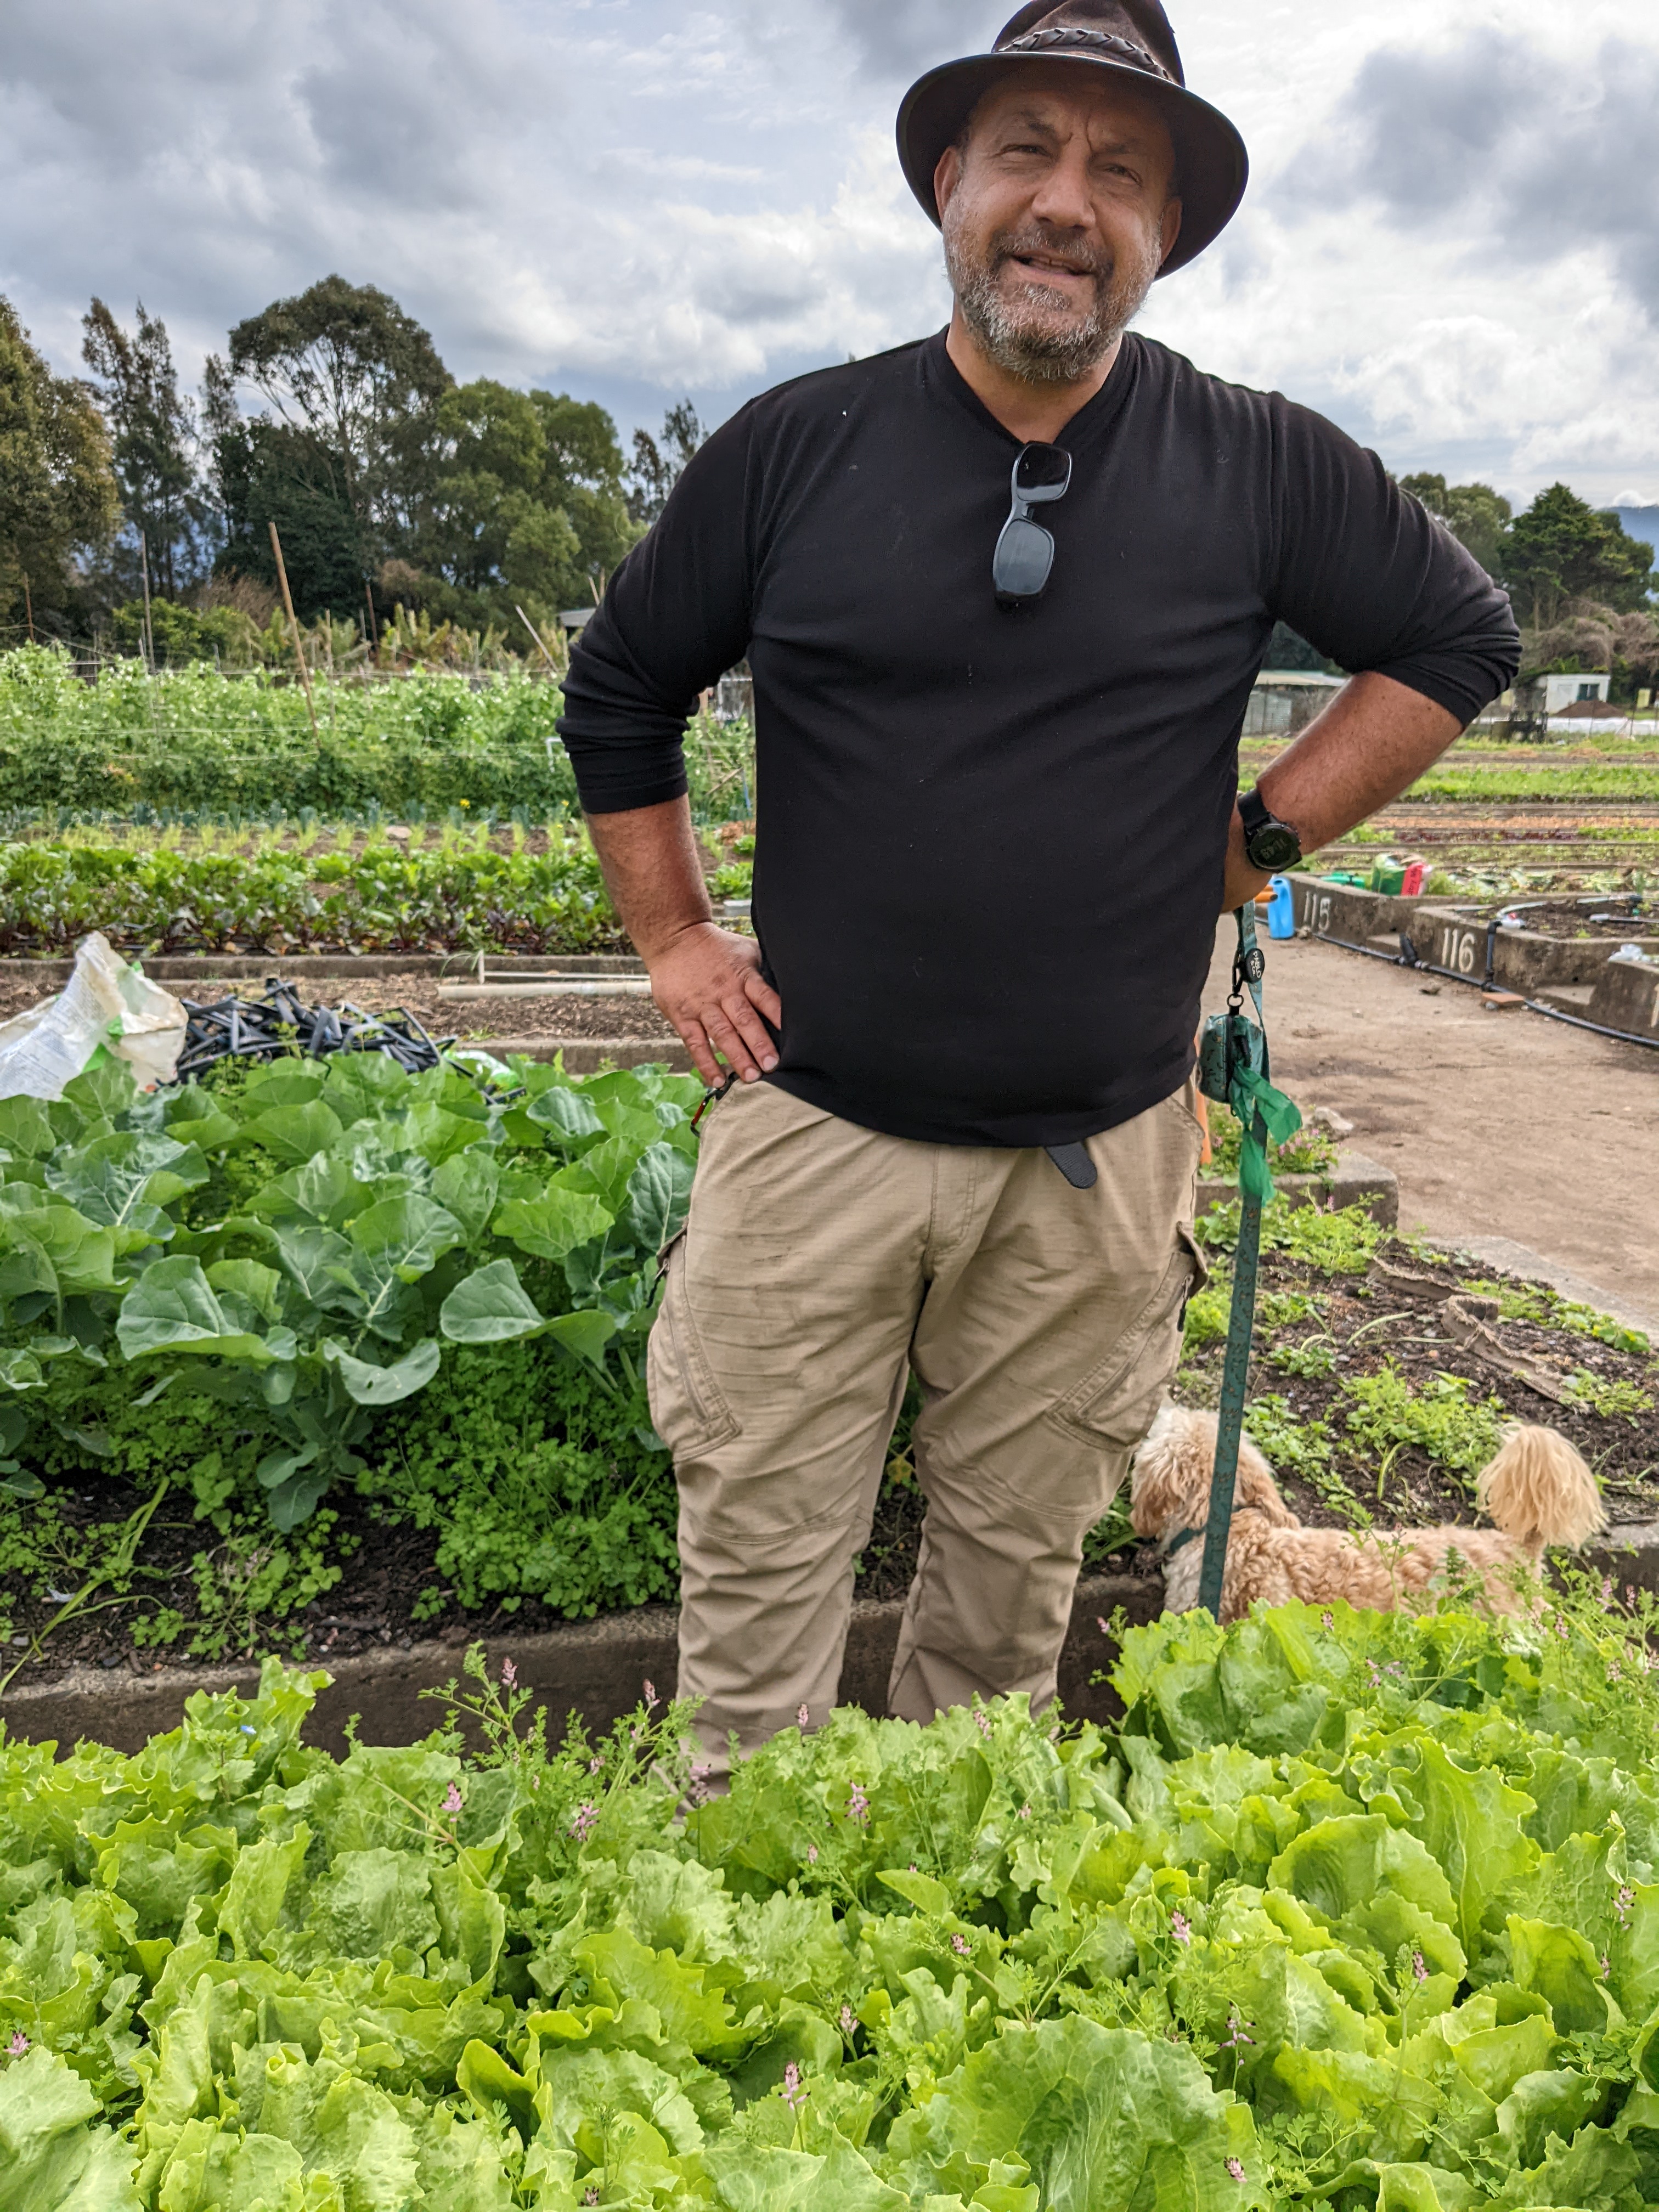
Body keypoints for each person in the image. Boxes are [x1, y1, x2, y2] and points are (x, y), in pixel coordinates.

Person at [557, 0, 1519, 1776]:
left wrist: (1260, 844)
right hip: (811, 1133)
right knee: (760, 1595)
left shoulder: (1256, 460)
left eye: (1122, 171)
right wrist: (675, 936)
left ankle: (934, 1939)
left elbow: (1461, 637)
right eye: (1029, 152)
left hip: (1096, 1167)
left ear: (1168, 233)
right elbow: (619, 683)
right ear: (951, 184)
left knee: (1004, 1623)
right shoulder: (795, 448)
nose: (1068, 202)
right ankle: (744, 1957)